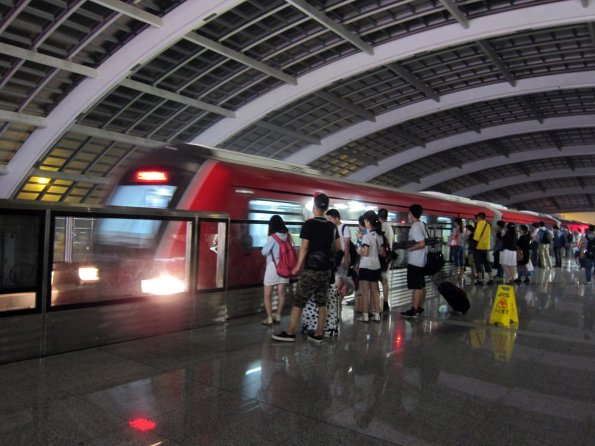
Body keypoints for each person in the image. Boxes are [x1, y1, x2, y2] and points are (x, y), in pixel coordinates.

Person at [272, 192, 341, 343]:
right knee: (322, 301)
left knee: (299, 301)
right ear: (326, 208)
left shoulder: (309, 224)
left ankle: (290, 333)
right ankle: (318, 334)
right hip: (325, 270)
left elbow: (304, 247)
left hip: (311, 269)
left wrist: (297, 266)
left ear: (314, 206)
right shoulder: (332, 226)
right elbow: (338, 247)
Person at [261, 215, 290, 326]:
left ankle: (269, 318)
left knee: (267, 294)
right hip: (285, 267)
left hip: (273, 267)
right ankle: (278, 315)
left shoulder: (273, 237)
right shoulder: (287, 236)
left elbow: (264, 252)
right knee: (281, 293)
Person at [400, 204, 427, 318]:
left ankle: (414, 310)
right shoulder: (422, 224)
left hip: (415, 261)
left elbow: (421, 243)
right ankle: (419, 307)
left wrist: (410, 248)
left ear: (411, 213)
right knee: (420, 286)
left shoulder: (415, 226)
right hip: (422, 260)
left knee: (416, 286)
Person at [356, 210, 383, 322]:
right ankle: (377, 314)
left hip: (366, 267)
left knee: (366, 291)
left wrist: (358, 247)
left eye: (365, 221)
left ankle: (365, 315)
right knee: (375, 291)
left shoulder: (367, 236)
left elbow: (365, 252)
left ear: (367, 222)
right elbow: (381, 252)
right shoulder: (379, 235)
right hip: (376, 266)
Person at [325, 208, 352, 305]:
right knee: (339, 280)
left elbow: (347, 244)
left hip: (343, 259)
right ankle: (337, 303)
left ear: (336, 218)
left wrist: (345, 259)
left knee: (341, 281)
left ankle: (336, 303)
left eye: (330, 218)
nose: (328, 221)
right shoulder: (332, 229)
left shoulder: (345, 228)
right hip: (335, 259)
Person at [378, 208, 394, 313]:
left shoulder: (382, 227)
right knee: (385, 281)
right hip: (388, 257)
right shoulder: (390, 227)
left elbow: (380, 244)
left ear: (378, 217)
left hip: (382, 258)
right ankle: (385, 302)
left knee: (378, 281)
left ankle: (378, 303)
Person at [473, 212, 494, 286]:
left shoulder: (480, 223)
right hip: (485, 247)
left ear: (479, 217)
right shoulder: (488, 225)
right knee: (486, 263)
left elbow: (477, 236)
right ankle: (491, 278)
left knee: (478, 264)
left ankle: (480, 280)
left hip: (478, 247)